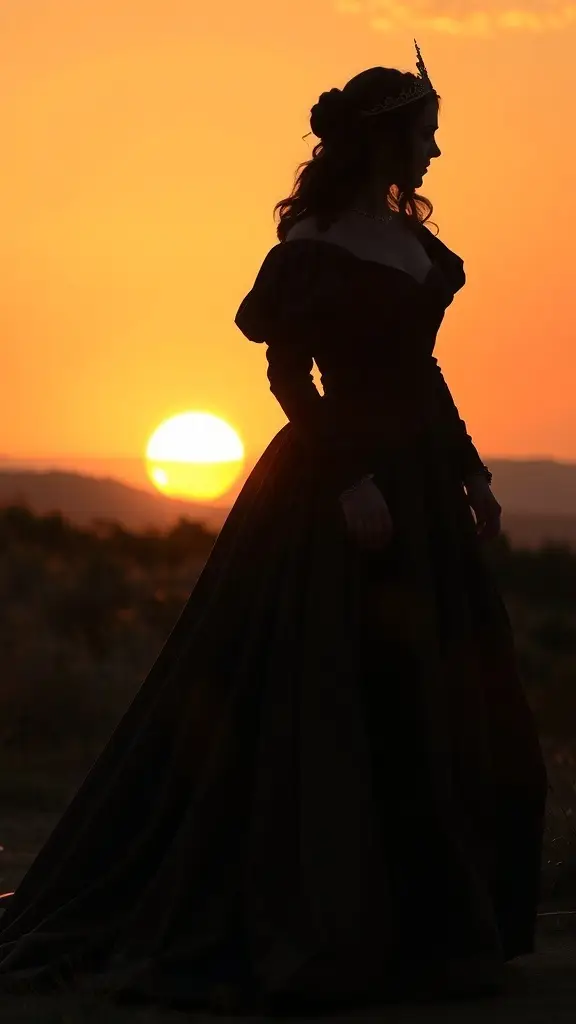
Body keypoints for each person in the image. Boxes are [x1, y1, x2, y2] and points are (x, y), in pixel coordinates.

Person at [0, 41, 547, 1014]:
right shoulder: (311, 249)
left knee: (445, 692)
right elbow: (290, 376)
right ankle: (312, 914)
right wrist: (349, 485)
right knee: (325, 694)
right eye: (425, 134)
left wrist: (472, 475)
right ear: (383, 140)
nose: (434, 152)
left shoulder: (410, 241)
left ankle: (431, 922)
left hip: (419, 484)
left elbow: (421, 372)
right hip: (338, 487)